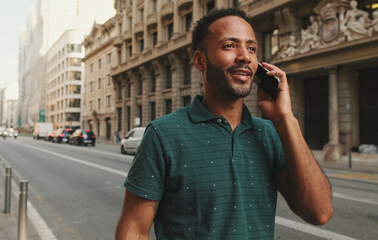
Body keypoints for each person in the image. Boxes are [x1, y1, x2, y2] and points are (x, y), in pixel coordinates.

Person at [115, 8, 333, 239]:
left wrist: (285, 118)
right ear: (200, 61)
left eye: (251, 48)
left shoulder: (271, 133)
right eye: (230, 45)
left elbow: (319, 212)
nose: (245, 56)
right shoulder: (163, 134)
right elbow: (134, 230)